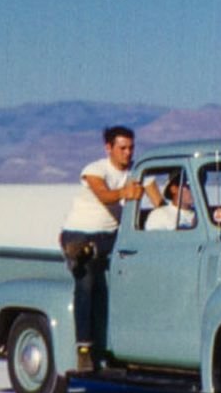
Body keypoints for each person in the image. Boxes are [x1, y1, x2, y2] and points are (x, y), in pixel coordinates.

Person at [58, 126, 157, 367]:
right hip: (79, 232)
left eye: (131, 148)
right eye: (122, 148)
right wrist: (126, 192)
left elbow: (157, 201)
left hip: (110, 237)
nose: (128, 153)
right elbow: (104, 195)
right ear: (108, 148)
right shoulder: (95, 170)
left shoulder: (138, 171)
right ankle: (84, 348)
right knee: (87, 283)